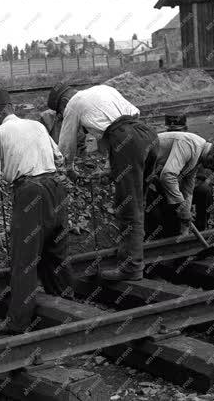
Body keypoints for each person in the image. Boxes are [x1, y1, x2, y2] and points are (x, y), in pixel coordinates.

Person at [0, 89, 74, 335]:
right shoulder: (37, 125)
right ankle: (69, 307)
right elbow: (59, 157)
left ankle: (18, 322)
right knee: (56, 252)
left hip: (29, 190)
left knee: (25, 258)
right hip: (55, 187)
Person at [51, 83, 159, 281]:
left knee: (128, 208)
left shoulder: (74, 103)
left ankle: (131, 268)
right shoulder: (103, 89)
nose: (63, 114)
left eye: (61, 111)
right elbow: (123, 128)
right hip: (149, 135)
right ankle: (137, 255)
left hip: (127, 141)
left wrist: (69, 169)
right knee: (139, 203)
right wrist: (111, 167)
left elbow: (65, 147)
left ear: (64, 102)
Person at [145, 132, 214, 239]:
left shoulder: (199, 155)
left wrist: (185, 221)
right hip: (142, 178)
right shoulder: (189, 145)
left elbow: (187, 189)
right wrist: (182, 210)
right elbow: (168, 176)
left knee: (204, 191)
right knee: (159, 221)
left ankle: (198, 234)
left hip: (159, 181)